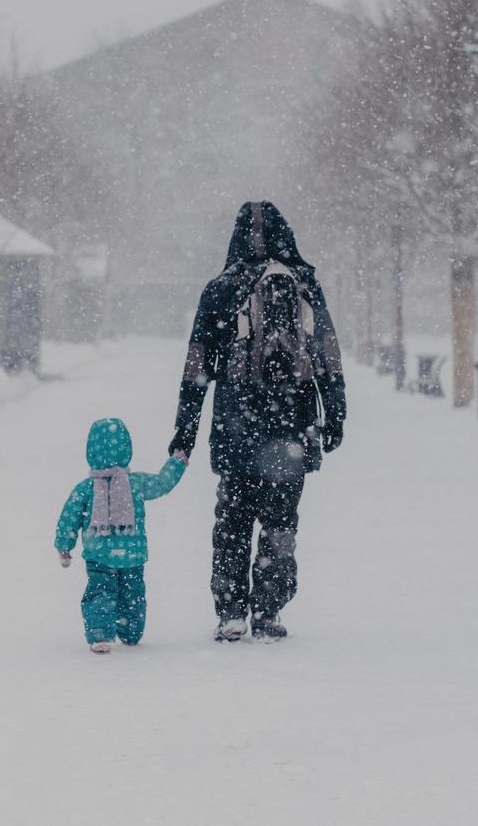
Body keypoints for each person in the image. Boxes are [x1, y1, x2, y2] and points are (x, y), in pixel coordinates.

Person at [169, 201, 346, 642]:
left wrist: (185, 433)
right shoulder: (304, 284)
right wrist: (335, 411)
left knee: (232, 522)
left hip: (236, 430)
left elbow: (196, 369)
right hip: (293, 426)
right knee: (281, 522)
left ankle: (231, 612)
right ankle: (269, 610)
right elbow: (327, 353)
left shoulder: (220, 290)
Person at [55, 418, 188, 654]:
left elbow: (70, 517)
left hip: (99, 554)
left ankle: (100, 634)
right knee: (133, 595)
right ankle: (131, 630)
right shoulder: (135, 483)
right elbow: (161, 483)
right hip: (132, 555)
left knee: (100, 593)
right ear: (127, 448)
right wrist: (176, 463)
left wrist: (64, 546)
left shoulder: (86, 488)